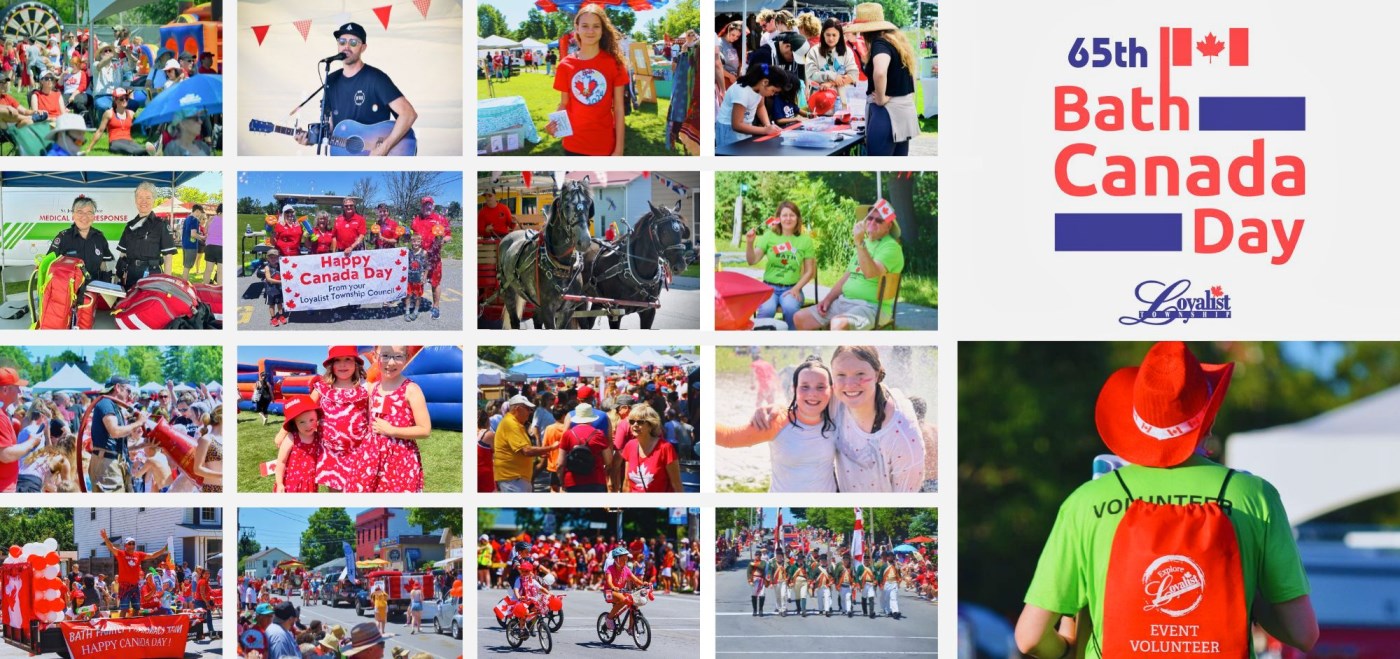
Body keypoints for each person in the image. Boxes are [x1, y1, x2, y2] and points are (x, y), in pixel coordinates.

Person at [1013, 341, 1318, 658]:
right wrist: (1247, 598)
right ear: (1208, 421)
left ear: (1136, 423)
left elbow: (1030, 637)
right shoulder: (1254, 496)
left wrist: (1064, 649)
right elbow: (1303, 633)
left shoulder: (1087, 501)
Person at [716, 357, 837, 492]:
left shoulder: (838, 418)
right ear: (794, 389)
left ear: (831, 390)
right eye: (805, 387)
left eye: (820, 387)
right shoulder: (777, 420)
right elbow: (728, 438)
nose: (813, 393)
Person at [297, 22, 417, 157]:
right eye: (342, 41)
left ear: (363, 47)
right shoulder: (331, 80)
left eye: (353, 42)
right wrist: (311, 139)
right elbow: (332, 129)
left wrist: (384, 147)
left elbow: (408, 114)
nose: (346, 46)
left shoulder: (376, 78)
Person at [793, 203, 904, 331]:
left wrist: (859, 242)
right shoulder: (865, 243)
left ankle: (841, 350)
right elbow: (847, 277)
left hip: (872, 307)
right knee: (800, 317)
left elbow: (870, 273)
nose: (872, 222)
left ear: (888, 226)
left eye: (879, 220)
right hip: (844, 301)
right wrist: (828, 299)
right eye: (870, 218)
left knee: (838, 323)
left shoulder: (891, 247)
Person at [548, 4, 628, 156]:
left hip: (604, 145)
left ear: (602, 30)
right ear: (576, 28)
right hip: (572, 145)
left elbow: (618, 109)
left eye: (596, 26)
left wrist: (619, 149)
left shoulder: (614, 64)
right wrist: (554, 125)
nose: (590, 31)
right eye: (585, 26)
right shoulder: (565, 65)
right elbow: (564, 103)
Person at [846, 3, 918, 156]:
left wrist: (880, 97)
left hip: (886, 112)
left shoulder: (879, 44)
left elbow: (879, 72)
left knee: (877, 166)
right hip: (903, 110)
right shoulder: (894, 42)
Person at [358, 345, 430, 492]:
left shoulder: (411, 389)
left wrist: (392, 430)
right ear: (376, 356)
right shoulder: (373, 388)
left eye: (398, 357)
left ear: (407, 359)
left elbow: (425, 430)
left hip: (400, 458)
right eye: (385, 356)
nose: (391, 363)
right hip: (371, 457)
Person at [746, 201, 816, 330]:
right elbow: (752, 260)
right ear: (778, 218)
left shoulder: (805, 240)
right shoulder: (769, 236)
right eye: (784, 215)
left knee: (790, 309)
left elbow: (810, 271)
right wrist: (750, 243)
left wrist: (796, 289)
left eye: (792, 215)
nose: (788, 218)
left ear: (798, 218)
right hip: (769, 288)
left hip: (792, 288)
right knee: (766, 310)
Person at [89, 376, 147, 493]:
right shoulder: (106, 404)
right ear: (117, 388)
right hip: (107, 465)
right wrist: (138, 423)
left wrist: (142, 445)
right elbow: (115, 432)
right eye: (128, 390)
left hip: (113, 462)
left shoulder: (113, 406)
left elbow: (116, 444)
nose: (129, 395)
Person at [115, 181, 176, 290]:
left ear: (154, 200)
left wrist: (167, 284)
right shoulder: (129, 226)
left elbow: (168, 257)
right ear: (135, 200)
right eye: (140, 197)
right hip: (130, 276)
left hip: (151, 277)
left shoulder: (161, 225)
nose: (144, 201)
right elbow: (122, 254)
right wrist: (118, 275)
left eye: (148, 197)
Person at [493, 395, 559, 492]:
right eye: (528, 409)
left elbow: (524, 449)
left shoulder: (515, 423)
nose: (530, 412)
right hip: (513, 478)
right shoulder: (510, 424)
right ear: (518, 409)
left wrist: (541, 451)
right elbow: (526, 450)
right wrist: (551, 447)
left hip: (517, 478)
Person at [47, 195, 115, 281]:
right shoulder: (63, 237)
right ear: (73, 215)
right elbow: (49, 264)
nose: (84, 216)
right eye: (80, 212)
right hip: (70, 290)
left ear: (94, 216)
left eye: (89, 212)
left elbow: (104, 266)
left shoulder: (100, 238)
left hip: (93, 288)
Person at [716, 63, 786, 146]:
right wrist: (765, 130)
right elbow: (737, 125)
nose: (772, 94)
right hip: (729, 130)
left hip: (745, 127)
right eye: (773, 90)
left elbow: (761, 106)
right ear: (765, 82)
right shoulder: (742, 92)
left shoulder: (759, 89)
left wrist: (768, 125)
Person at [99, 529, 168, 609]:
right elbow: (111, 547)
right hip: (124, 586)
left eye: (133, 543)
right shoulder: (121, 554)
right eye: (129, 544)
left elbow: (152, 555)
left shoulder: (138, 554)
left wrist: (164, 549)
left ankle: (135, 621)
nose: (132, 545)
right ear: (125, 545)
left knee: (137, 608)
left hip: (135, 586)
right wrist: (105, 538)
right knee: (124, 609)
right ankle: (123, 622)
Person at [620, 403, 682, 492]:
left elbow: (676, 484)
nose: (635, 425)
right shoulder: (630, 445)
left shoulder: (665, 448)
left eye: (640, 422)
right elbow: (626, 482)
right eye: (632, 421)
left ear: (651, 425)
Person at [408, 196, 450, 319]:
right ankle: (415, 303)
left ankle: (436, 307)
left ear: (433, 205)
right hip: (419, 257)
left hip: (434, 258)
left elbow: (448, 235)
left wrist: (443, 240)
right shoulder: (416, 220)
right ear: (421, 206)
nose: (427, 206)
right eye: (425, 204)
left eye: (429, 204)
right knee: (416, 281)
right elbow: (412, 236)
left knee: (435, 283)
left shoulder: (440, 219)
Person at [560, 403, 613, 492]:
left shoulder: (567, 434)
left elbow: (560, 464)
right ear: (591, 418)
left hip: (572, 482)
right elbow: (608, 460)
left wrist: (561, 480)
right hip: (596, 481)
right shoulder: (599, 434)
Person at [275, 397, 322, 493]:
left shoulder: (318, 437)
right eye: (302, 422)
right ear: (295, 423)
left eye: (312, 420)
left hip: (310, 484)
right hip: (290, 484)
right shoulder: (292, 437)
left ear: (317, 418)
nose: (308, 425)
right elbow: (281, 462)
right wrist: (279, 483)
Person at [84, 87, 150, 155]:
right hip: (115, 142)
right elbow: (100, 131)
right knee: (134, 150)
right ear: (115, 100)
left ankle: (149, 152)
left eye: (126, 98)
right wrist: (89, 148)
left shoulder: (130, 113)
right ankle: (144, 153)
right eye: (121, 99)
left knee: (140, 148)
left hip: (128, 140)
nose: (124, 100)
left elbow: (141, 123)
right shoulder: (109, 113)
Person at [804, 18, 858, 101]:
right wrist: (831, 75)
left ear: (840, 35)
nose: (831, 38)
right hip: (818, 99)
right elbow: (811, 74)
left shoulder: (847, 52)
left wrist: (831, 83)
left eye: (834, 35)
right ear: (823, 34)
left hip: (840, 99)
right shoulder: (814, 51)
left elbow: (853, 75)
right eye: (828, 35)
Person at [603, 546, 645, 631]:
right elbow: (609, 581)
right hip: (609, 592)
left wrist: (643, 583)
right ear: (616, 559)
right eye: (623, 559)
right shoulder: (610, 569)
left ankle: (631, 628)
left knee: (634, 603)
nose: (625, 561)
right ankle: (609, 618)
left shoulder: (626, 569)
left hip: (620, 592)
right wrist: (613, 587)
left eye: (626, 559)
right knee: (623, 600)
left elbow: (635, 579)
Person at [256, 248, 286, 327]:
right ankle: (273, 318)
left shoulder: (280, 266)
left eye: (275, 257)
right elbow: (269, 279)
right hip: (270, 290)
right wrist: (281, 282)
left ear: (278, 258)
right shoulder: (267, 267)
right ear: (268, 258)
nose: (273, 259)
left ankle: (281, 315)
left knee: (280, 303)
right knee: (271, 305)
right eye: (271, 257)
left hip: (279, 289)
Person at [179, 205, 206, 280]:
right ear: (197, 211)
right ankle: (184, 283)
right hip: (191, 246)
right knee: (188, 266)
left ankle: (184, 282)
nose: (200, 214)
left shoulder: (187, 218)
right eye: (200, 212)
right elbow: (193, 234)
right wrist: (202, 237)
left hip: (185, 245)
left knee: (186, 266)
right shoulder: (194, 220)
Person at [404, 233, 426, 322]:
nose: (416, 243)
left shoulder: (424, 253)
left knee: (418, 296)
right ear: (411, 242)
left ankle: (416, 311)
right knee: (408, 295)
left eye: (418, 241)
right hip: (409, 278)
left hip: (419, 278)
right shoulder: (408, 252)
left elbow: (427, 266)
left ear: (421, 242)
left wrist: (425, 276)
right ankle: (407, 311)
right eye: (413, 241)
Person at [203, 203, 223, 285]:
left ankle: (204, 288)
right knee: (220, 271)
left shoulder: (211, 218)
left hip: (210, 247)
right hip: (221, 247)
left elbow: (205, 231)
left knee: (208, 270)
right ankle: (219, 291)